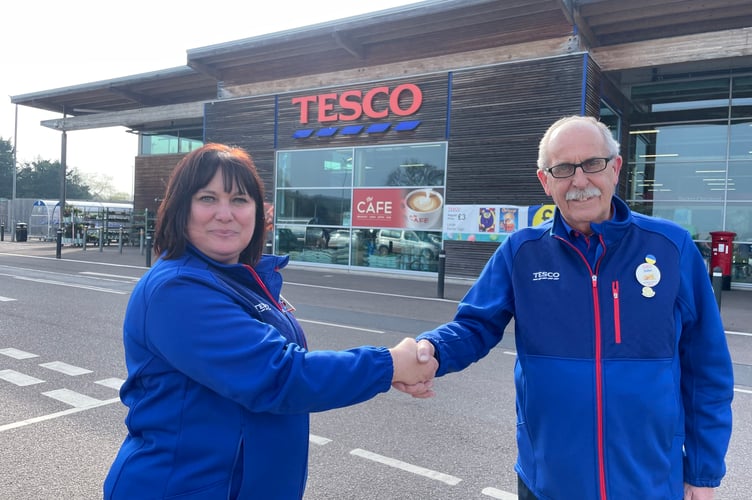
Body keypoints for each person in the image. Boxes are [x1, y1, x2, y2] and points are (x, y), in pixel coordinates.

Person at [396, 116, 734, 499]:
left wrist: (704, 473)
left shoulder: (670, 247)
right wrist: (432, 352)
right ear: (545, 180)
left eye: (592, 163)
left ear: (615, 168)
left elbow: (706, 367)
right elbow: (474, 325)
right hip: (548, 483)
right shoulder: (522, 251)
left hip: (651, 483)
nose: (580, 180)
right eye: (563, 169)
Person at [103, 143, 437, 499]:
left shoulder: (239, 279)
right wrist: (389, 365)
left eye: (239, 200)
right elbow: (279, 376)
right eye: (207, 198)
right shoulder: (177, 289)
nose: (225, 213)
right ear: (180, 208)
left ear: (258, 212)